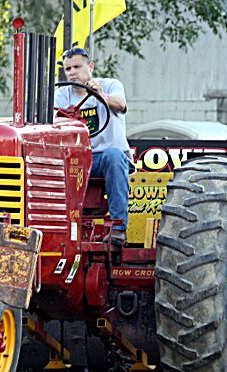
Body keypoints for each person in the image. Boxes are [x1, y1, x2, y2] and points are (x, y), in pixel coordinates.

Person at [54, 47, 131, 245]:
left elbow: (120, 104)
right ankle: (54, 228)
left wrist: (100, 95)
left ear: (90, 66)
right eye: (68, 69)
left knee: (113, 156)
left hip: (103, 157)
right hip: (76, 158)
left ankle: (118, 228)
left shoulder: (110, 85)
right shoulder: (61, 95)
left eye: (77, 67)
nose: (72, 72)